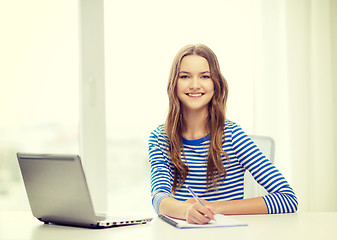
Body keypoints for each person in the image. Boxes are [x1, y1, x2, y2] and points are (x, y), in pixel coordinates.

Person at [148, 44, 298, 225]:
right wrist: (187, 210)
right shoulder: (160, 138)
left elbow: (288, 198)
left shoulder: (233, 135)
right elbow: (159, 199)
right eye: (185, 76)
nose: (195, 85)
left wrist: (214, 207)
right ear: (174, 83)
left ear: (215, 84)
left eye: (204, 76)